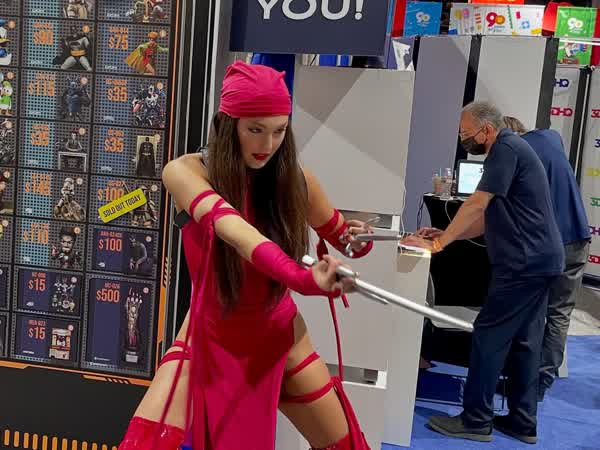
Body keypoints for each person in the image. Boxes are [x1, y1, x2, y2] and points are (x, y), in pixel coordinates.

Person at [118, 61, 375, 450]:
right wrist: (304, 279)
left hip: (281, 338)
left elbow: (346, 240)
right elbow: (240, 235)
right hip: (208, 338)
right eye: (255, 129)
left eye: (279, 131)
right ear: (228, 124)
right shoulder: (186, 172)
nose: (267, 144)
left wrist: (358, 238)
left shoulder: (297, 182)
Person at [403, 101, 565, 444]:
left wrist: (441, 243)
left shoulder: (505, 149)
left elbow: (477, 204)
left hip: (523, 264)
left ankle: (476, 419)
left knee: (488, 337)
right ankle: (522, 421)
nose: (463, 139)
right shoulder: (512, 150)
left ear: (486, 130)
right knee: (525, 342)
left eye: (466, 133)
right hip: (541, 261)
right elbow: (486, 219)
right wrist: (447, 233)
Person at [503, 116, 590, 401]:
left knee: (532, 312)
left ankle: (524, 381)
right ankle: (541, 383)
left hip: (549, 244)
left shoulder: (516, 154)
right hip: (578, 237)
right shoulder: (552, 138)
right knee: (559, 314)